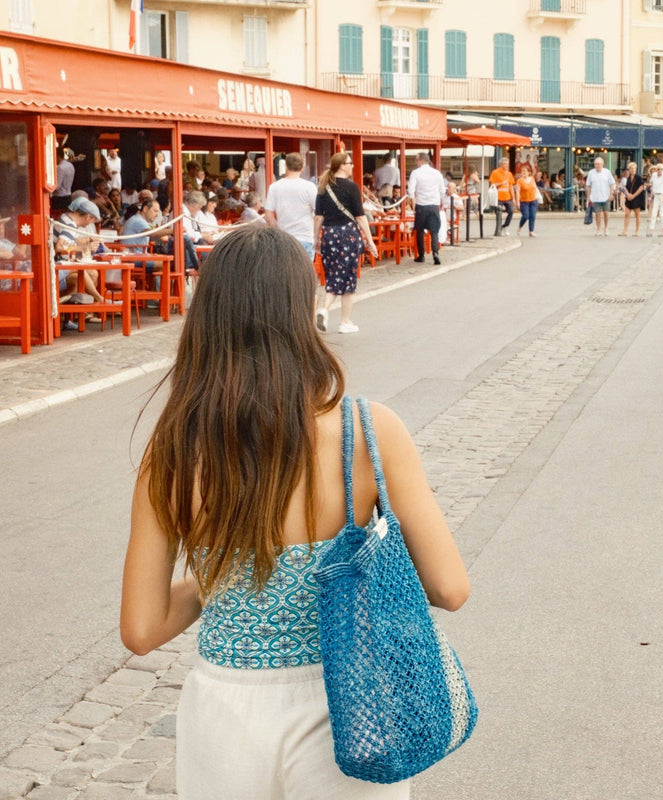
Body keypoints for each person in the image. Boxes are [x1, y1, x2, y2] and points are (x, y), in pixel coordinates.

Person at [120, 225, 469, 800]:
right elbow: (450, 588)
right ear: (302, 311)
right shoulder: (368, 431)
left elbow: (141, 629)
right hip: (353, 706)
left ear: (206, 317)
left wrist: (226, 577)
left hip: (223, 714)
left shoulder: (173, 452)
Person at [313, 152, 377, 334]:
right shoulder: (352, 187)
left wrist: (316, 238)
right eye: (350, 163)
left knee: (333, 274)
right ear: (342, 166)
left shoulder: (323, 187)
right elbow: (361, 217)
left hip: (329, 234)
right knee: (348, 278)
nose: (352, 166)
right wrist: (370, 241)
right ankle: (344, 321)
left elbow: (318, 217)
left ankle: (324, 309)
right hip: (348, 234)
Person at [265, 152, 317, 260]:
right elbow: (318, 214)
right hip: (305, 238)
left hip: (283, 239)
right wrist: (316, 236)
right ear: (302, 167)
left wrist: (278, 229)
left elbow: (268, 216)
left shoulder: (274, 187)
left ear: (286, 167)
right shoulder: (310, 187)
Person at [407, 151, 445, 265]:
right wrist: (438, 200)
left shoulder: (415, 173)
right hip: (434, 205)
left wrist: (413, 201)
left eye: (416, 160)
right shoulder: (437, 173)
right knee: (434, 231)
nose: (415, 162)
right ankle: (435, 253)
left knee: (419, 230)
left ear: (422, 161)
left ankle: (421, 255)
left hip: (421, 205)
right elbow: (442, 190)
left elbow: (410, 190)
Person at [585, 156, 616, 237]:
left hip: (606, 196)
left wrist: (611, 193)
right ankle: (598, 229)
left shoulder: (607, 172)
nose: (597, 166)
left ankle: (606, 228)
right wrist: (588, 196)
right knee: (597, 214)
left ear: (602, 164)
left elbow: (612, 183)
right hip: (595, 196)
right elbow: (588, 185)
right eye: (595, 164)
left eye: (598, 164)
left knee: (606, 212)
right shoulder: (591, 173)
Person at [489, 157, 516, 235]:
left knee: (511, 211)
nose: (506, 165)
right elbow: (492, 185)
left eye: (507, 164)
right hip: (498, 197)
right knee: (498, 213)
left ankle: (505, 226)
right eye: (505, 164)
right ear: (501, 164)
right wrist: (501, 183)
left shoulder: (509, 174)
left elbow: (511, 187)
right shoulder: (495, 172)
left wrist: (513, 198)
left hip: (507, 197)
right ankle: (498, 229)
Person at [620, 161, 645, 236]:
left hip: (637, 198)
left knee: (637, 215)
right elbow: (625, 187)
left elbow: (641, 187)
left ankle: (636, 231)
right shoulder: (628, 178)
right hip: (629, 197)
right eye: (632, 168)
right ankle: (624, 231)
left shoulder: (638, 178)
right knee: (627, 214)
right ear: (629, 169)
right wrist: (628, 194)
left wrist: (633, 195)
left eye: (634, 168)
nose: (633, 170)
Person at [515, 163, 539, 237]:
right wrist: (517, 202)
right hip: (524, 201)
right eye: (522, 171)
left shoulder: (532, 179)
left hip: (533, 200)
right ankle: (520, 227)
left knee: (532, 216)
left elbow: (535, 188)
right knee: (525, 216)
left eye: (525, 171)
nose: (523, 173)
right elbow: (517, 191)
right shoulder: (519, 181)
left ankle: (531, 231)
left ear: (529, 172)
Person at [647, 162, 663, 237]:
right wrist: (650, 196)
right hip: (656, 195)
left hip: (662, 195)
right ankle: (651, 230)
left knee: (662, 213)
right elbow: (653, 187)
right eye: (658, 169)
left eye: (661, 169)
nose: (659, 170)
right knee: (654, 213)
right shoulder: (654, 175)